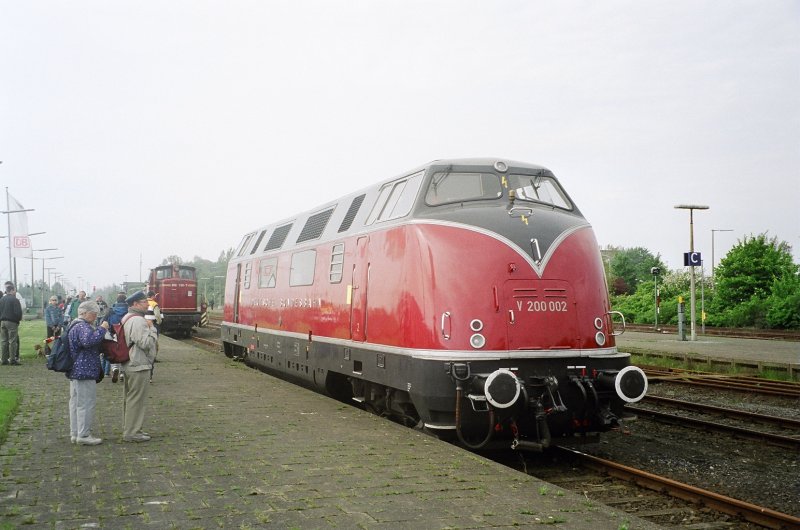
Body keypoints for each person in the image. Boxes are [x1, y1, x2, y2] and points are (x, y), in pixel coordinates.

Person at [67, 300, 109, 445]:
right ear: (85, 313)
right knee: (86, 403)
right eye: (94, 313)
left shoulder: (73, 324)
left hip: (75, 370)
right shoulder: (83, 326)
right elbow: (88, 341)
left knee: (75, 402)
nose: (96, 316)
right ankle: (84, 435)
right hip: (85, 369)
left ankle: (75, 432)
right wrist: (102, 329)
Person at [121, 291, 158, 442]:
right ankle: (133, 432)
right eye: (144, 302)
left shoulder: (126, 317)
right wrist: (152, 329)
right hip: (138, 364)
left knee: (130, 399)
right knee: (137, 400)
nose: (148, 304)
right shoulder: (138, 321)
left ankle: (129, 429)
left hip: (129, 363)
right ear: (135, 304)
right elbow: (145, 343)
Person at [104, 293, 128, 381]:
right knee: (124, 353)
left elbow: (104, 322)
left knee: (113, 353)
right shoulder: (128, 311)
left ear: (117, 300)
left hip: (113, 333)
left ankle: (114, 368)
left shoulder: (111, 310)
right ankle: (122, 373)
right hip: (125, 335)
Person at [0, 283, 23, 365]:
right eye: (14, 290)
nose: (15, 292)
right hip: (12, 322)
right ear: (12, 290)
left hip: (2, 322)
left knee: (3, 341)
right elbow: (18, 312)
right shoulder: (15, 300)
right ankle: (12, 360)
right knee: (12, 341)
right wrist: (18, 320)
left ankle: (3, 359)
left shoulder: (1, 299)